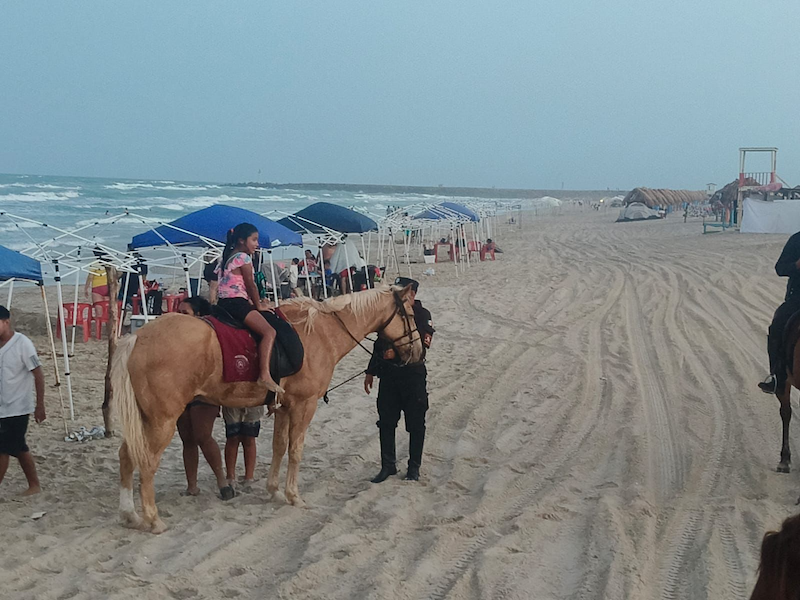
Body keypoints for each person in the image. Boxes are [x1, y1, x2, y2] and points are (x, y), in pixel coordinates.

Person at [364, 277, 435, 482]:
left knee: (416, 424)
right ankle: (388, 466)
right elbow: (379, 343)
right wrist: (370, 371)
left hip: (412, 375)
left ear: (412, 294)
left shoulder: (422, 314)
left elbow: (422, 346)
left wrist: (395, 353)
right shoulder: (391, 314)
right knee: (386, 422)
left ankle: (414, 468)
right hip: (389, 376)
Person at [175, 296, 234, 501]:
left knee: (202, 435)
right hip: (182, 390)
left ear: (198, 315)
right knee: (187, 439)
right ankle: (192, 486)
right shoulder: (175, 338)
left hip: (206, 390)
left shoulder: (207, 337)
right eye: (179, 312)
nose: (179, 317)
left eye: (185, 313)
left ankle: (221, 480)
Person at [215, 223, 281, 393]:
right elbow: (250, 284)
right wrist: (258, 305)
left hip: (224, 302)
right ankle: (264, 375)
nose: (257, 244)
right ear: (242, 241)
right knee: (269, 332)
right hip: (236, 303)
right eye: (254, 240)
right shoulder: (244, 258)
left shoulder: (227, 256)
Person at [0, 306, 46, 496]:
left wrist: (40, 405)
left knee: (2, 448)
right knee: (19, 447)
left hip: (18, 407)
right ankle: (34, 484)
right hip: (1, 406)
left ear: (6, 322)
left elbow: (38, 374)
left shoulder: (22, 344)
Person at [760, 231, 800, 394]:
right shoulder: (797, 240)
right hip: (798, 297)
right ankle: (776, 376)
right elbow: (780, 268)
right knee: (777, 325)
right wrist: (796, 265)